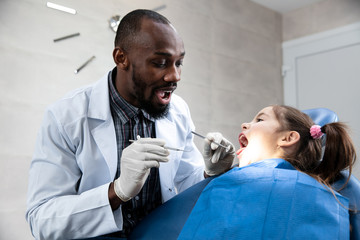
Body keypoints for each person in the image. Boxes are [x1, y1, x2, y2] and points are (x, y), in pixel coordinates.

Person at [25, 9, 235, 240]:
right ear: (121, 58)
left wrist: (209, 173)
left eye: (179, 63)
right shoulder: (65, 115)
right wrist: (118, 191)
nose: (175, 76)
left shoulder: (178, 110)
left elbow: (185, 181)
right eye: (160, 63)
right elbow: (41, 219)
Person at [129, 105, 358, 239]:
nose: (244, 125)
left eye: (259, 119)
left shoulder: (244, 183)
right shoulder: (326, 193)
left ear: (288, 138)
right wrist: (213, 175)